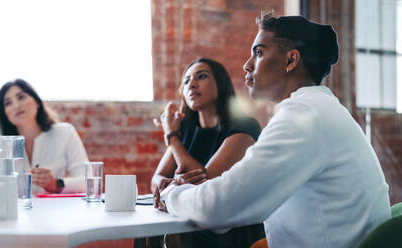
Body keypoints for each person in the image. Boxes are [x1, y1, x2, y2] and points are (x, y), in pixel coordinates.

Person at [154, 13, 390, 248]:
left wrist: (171, 194)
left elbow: (219, 208)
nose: (247, 65)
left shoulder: (303, 116)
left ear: (290, 60)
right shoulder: (320, 109)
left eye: (258, 52)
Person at [151, 58, 265, 248]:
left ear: (221, 84)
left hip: (231, 233)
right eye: (186, 81)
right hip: (190, 226)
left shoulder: (244, 126)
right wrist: (167, 183)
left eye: (201, 76)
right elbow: (156, 179)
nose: (192, 84)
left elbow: (206, 186)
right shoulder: (186, 129)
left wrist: (171, 136)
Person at [0, 79, 89, 193]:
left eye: (21, 97)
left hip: (55, 208)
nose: (16, 106)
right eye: (8, 103)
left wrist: (56, 184)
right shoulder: (1, 146)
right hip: (17, 210)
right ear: (4, 114)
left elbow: (88, 182)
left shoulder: (65, 133)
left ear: (37, 102)